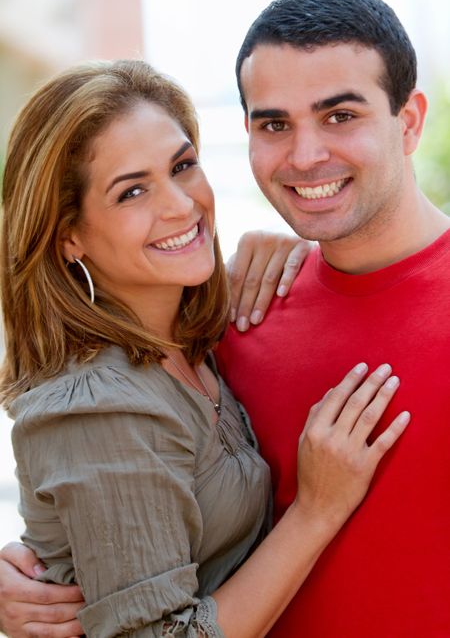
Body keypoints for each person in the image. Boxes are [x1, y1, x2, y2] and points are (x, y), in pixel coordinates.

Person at [0, 58, 409, 637]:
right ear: (69, 234)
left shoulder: (192, 342)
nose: (181, 206)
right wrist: (316, 511)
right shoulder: (97, 406)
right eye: (133, 191)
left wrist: (293, 250)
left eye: (183, 166)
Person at [217, 0, 450, 638]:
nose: (305, 155)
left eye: (340, 115)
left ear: (408, 122)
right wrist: (31, 579)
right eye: (274, 124)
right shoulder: (236, 313)